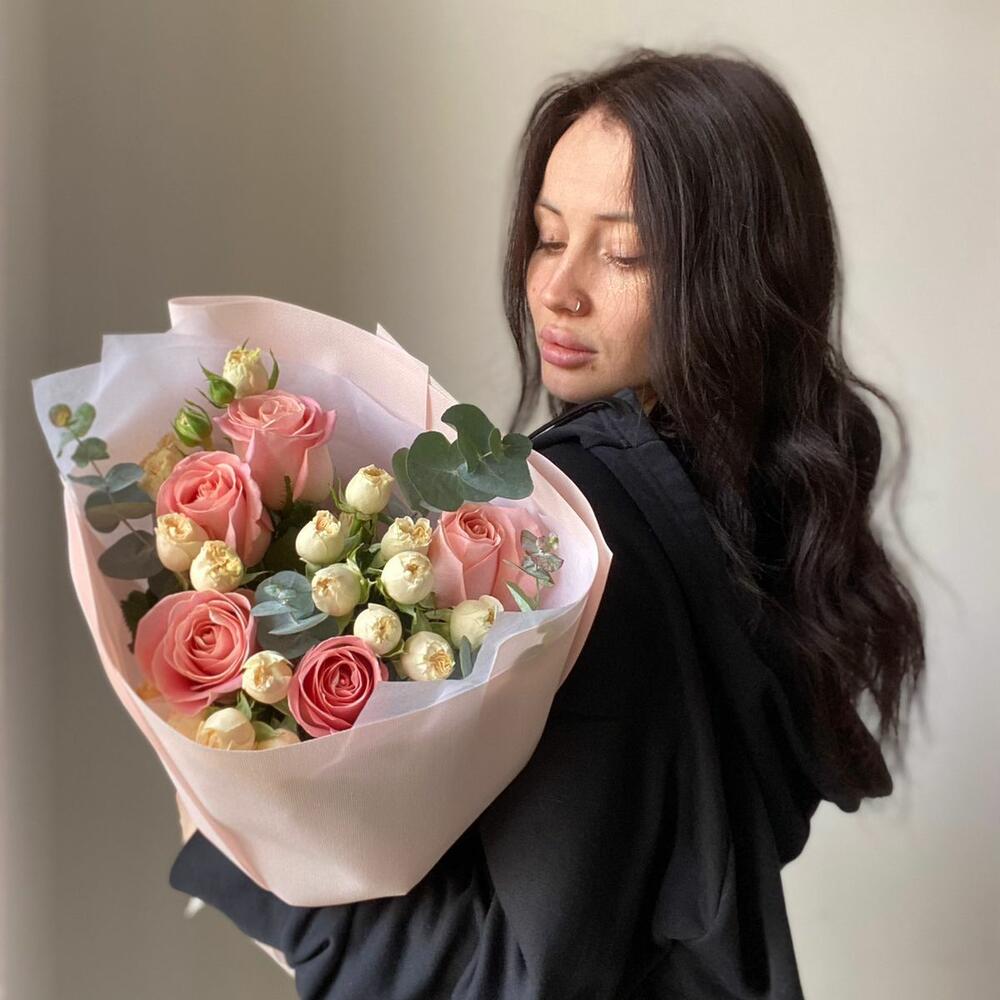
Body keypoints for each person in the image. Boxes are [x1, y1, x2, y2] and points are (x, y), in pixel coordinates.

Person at [168, 46, 926, 998]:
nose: (557, 290)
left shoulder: (588, 535)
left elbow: (516, 972)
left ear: (736, 275)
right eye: (546, 235)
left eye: (625, 252)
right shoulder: (761, 510)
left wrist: (237, 843)